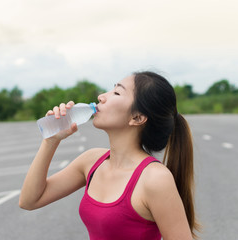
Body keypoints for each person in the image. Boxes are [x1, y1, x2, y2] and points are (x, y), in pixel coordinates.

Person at [19, 71, 200, 240]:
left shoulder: (154, 179)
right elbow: (29, 200)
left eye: (117, 93)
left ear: (137, 118)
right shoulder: (91, 162)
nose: (101, 96)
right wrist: (50, 141)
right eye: (112, 88)